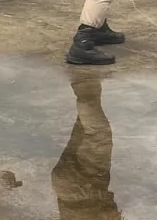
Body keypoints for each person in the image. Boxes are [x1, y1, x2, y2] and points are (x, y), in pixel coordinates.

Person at [51, 75, 122, 220]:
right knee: (83, 129)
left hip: (85, 187)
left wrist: (113, 215)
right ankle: (87, 86)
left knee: (98, 134)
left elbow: (107, 214)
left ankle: (85, 83)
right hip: (64, 187)